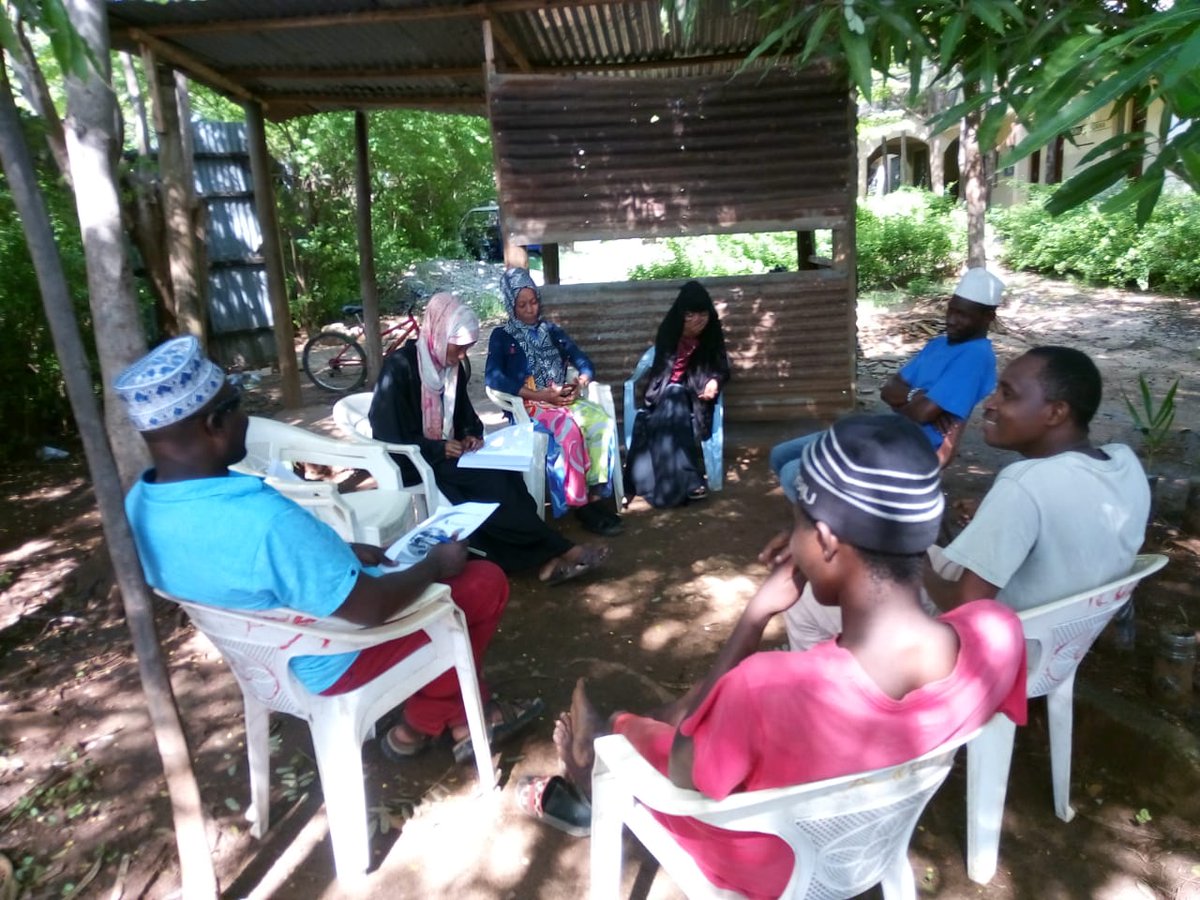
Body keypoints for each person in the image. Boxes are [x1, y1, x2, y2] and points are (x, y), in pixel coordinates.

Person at [517, 415, 1026, 899]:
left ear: (827, 540)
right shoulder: (997, 634)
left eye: (798, 524)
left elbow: (682, 770)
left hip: (764, 865)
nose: (793, 542)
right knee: (696, 708)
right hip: (869, 839)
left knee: (633, 733)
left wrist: (754, 617)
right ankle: (621, 735)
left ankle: (591, 759)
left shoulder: (767, 686)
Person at [116, 335, 543, 765]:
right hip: (332, 656)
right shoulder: (263, 520)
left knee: (416, 567)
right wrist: (435, 563)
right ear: (213, 424)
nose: (246, 418)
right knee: (482, 582)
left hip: (265, 657)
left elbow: (249, 565)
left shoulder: (141, 503)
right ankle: (426, 721)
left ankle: (441, 722)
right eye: (238, 405)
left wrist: (338, 550)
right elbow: (370, 609)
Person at [779, 346, 1151, 650]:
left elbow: (966, 604)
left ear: (1056, 412)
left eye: (1008, 394)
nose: (989, 403)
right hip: (1061, 636)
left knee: (806, 603)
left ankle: (841, 701)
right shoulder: (1123, 461)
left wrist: (914, 557)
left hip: (994, 637)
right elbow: (1067, 518)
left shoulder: (1025, 484)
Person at [370, 292, 609, 585]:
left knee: (508, 477)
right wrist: (437, 447)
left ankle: (545, 558)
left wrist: (470, 435)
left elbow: (465, 417)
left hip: (452, 452)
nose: (460, 357)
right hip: (417, 458)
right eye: (457, 349)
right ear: (438, 335)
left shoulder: (450, 368)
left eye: (465, 350)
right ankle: (562, 550)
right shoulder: (401, 367)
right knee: (493, 486)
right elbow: (387, 431)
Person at [770, 266, 1004, 483]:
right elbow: (889, 390)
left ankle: (833, 522)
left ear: (988, 318)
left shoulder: (976, 356)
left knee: (794, 471)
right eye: (951, 310)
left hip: (911, 448)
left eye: (963, 315)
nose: (952, 320)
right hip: (886, 432)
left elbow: (921, 413)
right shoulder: (939, 344)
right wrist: (916, 397)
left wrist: (913, 403)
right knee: (781, 455)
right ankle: (826, 515)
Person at [485, 267, 622, 537]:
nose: (530, 309)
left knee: (600, 422)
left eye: (533, 301)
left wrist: (578, 383)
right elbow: (494, 378)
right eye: (521, 304)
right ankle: (579, 502)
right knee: (568, 429)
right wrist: (539, 396)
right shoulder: (502, 336)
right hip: (530, 405)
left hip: (560, 398)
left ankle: (594, 494)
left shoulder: (552, 330)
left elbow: (583, 361)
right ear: (511, 306)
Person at [625, 280, 731, 508]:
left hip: (696, 398)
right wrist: (683, 343)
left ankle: (681, 484)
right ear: (682, 314)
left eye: (703, 314)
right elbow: (663, 372)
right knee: (672, 398)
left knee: (675, 403)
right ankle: (690, 479)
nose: (698, 320)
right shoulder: (669, 330)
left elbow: (722, 368)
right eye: (690, 314)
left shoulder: (712, 333)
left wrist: (714, 381)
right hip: (664, 393)